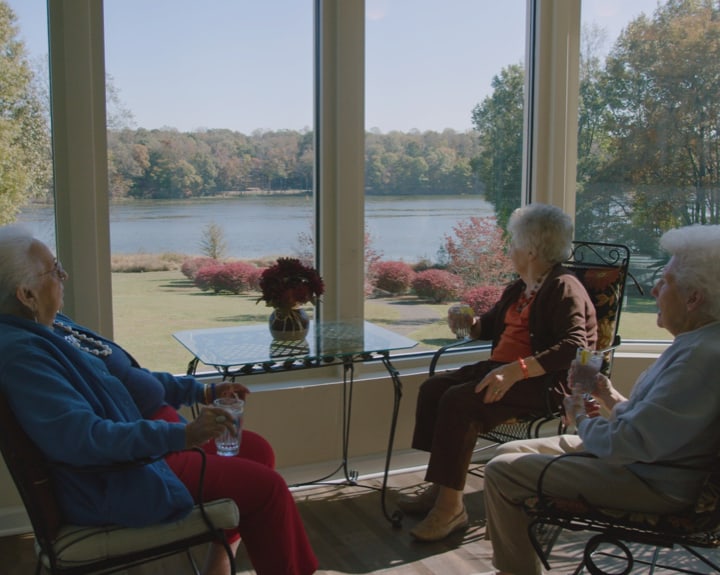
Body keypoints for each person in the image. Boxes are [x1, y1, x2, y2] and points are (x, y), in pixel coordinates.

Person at [0, 224, 318, 575]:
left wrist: (200, 391)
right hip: (127, 472)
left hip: (155, 446)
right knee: (267, 490)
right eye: (54, 271)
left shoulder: (54, 326)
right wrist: (183, 436)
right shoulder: (23, 356)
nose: (65, 276)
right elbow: (83, 438)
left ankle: (218, 565)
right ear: (26, 294)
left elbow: (130, 380)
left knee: (257, 451)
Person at [482, 224, 720, 575]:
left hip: (655, 483)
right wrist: (607, 394)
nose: (654, 290)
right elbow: (655, 425)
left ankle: (514, 569)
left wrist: (581, 417)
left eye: (665, 281)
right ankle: (515, 556)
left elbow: (630, 442)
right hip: (647, 464)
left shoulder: (699, 359)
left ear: (694, 298)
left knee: (503, 472)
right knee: (506, 451)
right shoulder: (698, 343)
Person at [400, 203, 598, 542]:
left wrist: (518, 371)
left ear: (531, 249)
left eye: (514, 242)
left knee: (460, 401)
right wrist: (468, 323)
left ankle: (451, 509)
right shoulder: (520, 287)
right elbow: (488, 327)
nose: (509, 249)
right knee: (434, 389)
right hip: (503, 370)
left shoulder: (563, 287)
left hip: (544, 383)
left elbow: (574, 346)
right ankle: (441, 487)